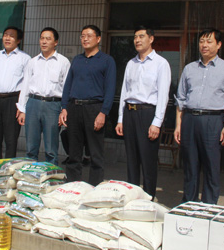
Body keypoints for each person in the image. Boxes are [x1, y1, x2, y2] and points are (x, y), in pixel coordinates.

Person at [174, 28, 224, 204]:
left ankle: (209, 206)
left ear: (218, 45)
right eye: (202, 41)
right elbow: (180, 99)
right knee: (190, 166)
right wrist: (178, 125)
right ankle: (188, 204)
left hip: (213, 120)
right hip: (190, 120)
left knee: (211, 165)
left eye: (209, 41)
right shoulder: (189, 68)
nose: (204, 45)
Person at [115, 26, 171, 198]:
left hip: (148, 114)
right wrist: (120, 118)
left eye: (141, 36)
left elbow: (163, 95)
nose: (137, 40)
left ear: (151, 39)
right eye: (135, 37)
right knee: (131, 160)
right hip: (129, 113)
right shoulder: (131, 63)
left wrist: (157, 122)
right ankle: (133, 198)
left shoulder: (161, 63)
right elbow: (124, 91)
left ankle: (148, 199)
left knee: (148, 160)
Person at [59, 25, 116, 186]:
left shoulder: (107, 61)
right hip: (74, 108)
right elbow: (68, 86)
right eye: (83, 36)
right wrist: (64, 107)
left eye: (89, 35)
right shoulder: (77, 60)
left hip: (94, 109)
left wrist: (103, 112)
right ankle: (73, 186)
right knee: (74, 153)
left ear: (98, 39)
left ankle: (94, 188)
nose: (85, 39)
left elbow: (110, 89)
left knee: (95, 153)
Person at [16, 27, 70, 165]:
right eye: (42, 38)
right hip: (33, 104)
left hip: (53, 105)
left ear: (55, 42)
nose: (44, 42)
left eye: (48, 39)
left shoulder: (63, 62)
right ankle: (30, 174)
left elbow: (67, 88)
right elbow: (25, 86)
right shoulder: (32, 62)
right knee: (31, 146)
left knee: (51, 148)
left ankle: (51, 174)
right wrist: (22, 109)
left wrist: (64, 109)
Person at [0, 27, 30, 163]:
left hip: (13, 100)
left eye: (11, 36)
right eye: (5, 35)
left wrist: (22, 107)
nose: (7, 38)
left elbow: (26, 85)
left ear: (18, 40)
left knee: (11, 139)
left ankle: (9, 169)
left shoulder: (25, 58)